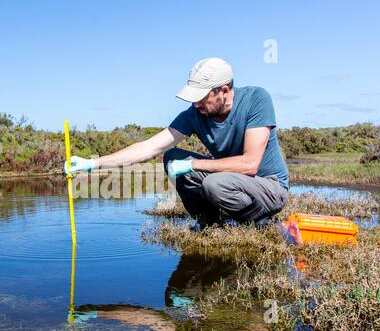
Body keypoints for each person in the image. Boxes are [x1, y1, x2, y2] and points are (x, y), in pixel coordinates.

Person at [65, 57, 290, 226]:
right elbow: (149, 146)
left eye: (201, 97)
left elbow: (249, 164)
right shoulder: (195, 114)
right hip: (230, 180)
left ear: (223, 90)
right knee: (172, 157)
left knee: (214, 183)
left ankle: (260, 223)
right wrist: (93, 163)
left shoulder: (256, 100)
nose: (196, 105)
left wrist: (193, 165)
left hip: (268, 185)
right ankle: (209, 222)